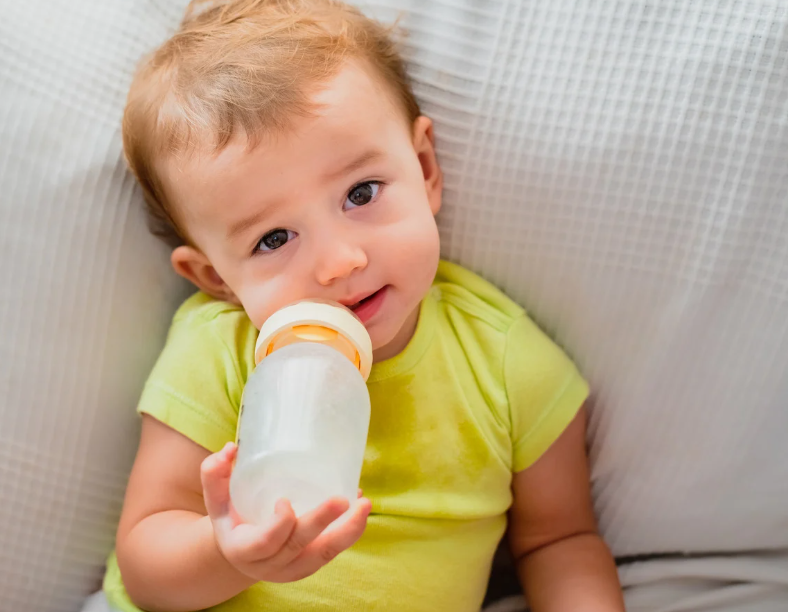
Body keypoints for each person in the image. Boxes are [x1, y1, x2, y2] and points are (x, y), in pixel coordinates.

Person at [105, 1, 625, 610]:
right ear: (216, 278)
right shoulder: (219, 352)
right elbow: (145, 565)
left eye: (361, 193)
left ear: (424, 168)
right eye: (273, 239)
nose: (338, 262)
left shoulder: (505, 363)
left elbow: (559, 540)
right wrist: (227, 554)